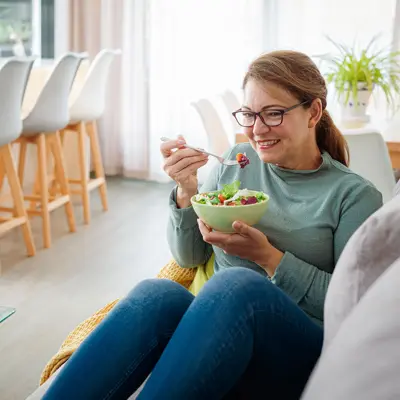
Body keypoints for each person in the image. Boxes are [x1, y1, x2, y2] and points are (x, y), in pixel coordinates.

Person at [43, 51, 382, 400]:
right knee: (156, 294)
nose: (257, 129)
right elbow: (190, 258)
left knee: (237, 284)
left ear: (313, 112)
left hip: (300, 351)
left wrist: (268, 257)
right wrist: (186, 191)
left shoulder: (353, 196)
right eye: (249, 114)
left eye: (274, 113)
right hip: (221, 330)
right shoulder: (236, 162)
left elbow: (355, 305)